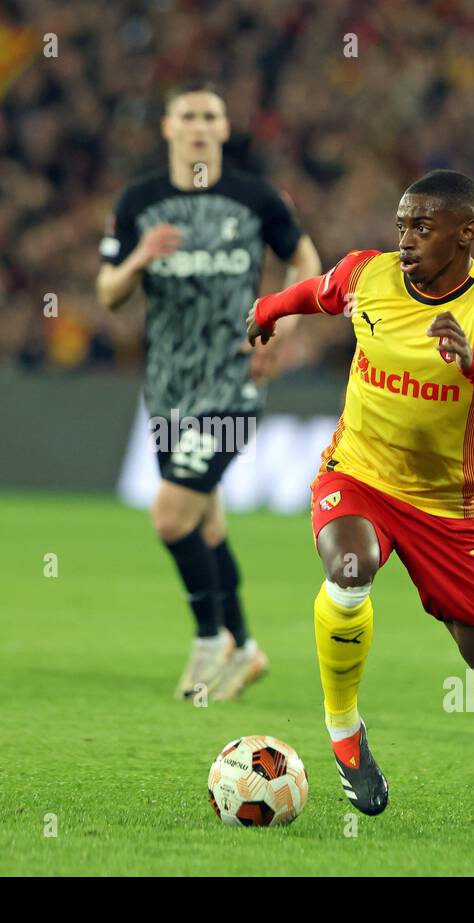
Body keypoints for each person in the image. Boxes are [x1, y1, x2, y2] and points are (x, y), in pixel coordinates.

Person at [246, 170, 474, 825]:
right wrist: (267, 313)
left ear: (466, 232)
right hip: (357, 476)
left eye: (423, 227)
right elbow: (316, 291)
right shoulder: (370, 275)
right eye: (401, 226)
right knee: (348, 570)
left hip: (446, 510)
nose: (406, 240)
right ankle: (345, 733)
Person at [97, 81, 322, 701]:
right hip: (168, 387)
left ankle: (208, 640)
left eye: (210, 116)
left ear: (224, 130)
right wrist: (138, 257)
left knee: (171, 516)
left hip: (233, 380)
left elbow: (306, 261)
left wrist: (283, 326)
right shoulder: (139, 201)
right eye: (188, 115)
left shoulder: (254, 197)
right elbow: (110, 294)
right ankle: (245, 648)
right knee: (207, 521)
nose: (199, 125)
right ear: (168, 128)